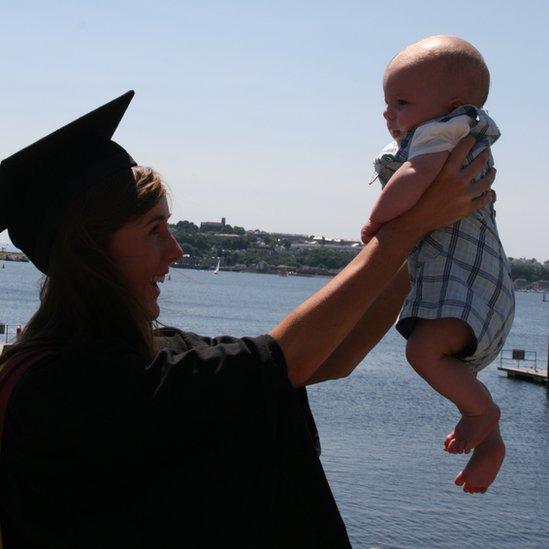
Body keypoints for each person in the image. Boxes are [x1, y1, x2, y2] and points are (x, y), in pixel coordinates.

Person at [0, 91, 495, 548]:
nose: (176, 250)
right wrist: (410, 226)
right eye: (154, 230)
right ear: (90, 252)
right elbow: (285, 359)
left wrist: (429, 237)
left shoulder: (153, 352)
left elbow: (329, 357)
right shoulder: (66, 390)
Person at [362, 35, 515, 494]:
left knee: (422, 352)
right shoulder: (451, 133)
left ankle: (482, 414)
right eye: (387, 103)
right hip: (480, 292)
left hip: (464, 285)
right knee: (449, 364)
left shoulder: (439, 132)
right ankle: (489, 438)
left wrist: (376, 221)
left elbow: (415, 176)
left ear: (451, 104)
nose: (390, 114)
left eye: (402, 102)